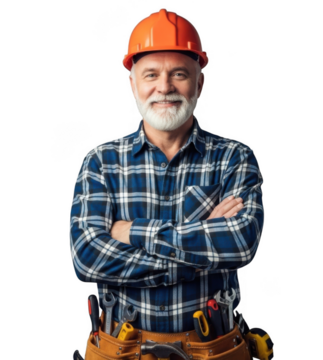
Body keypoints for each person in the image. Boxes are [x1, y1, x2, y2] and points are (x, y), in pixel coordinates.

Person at [69, 8, 265, 358]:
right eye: (151, 75)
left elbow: (240, 243)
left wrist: (132, 232)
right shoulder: (101, 162)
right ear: (133, 83)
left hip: (214, 349)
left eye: (179, 74)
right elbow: (87, 259)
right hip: (121, 350)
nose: (164, 87)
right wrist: (201, 239)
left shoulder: (234, 158)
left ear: (200, 81)